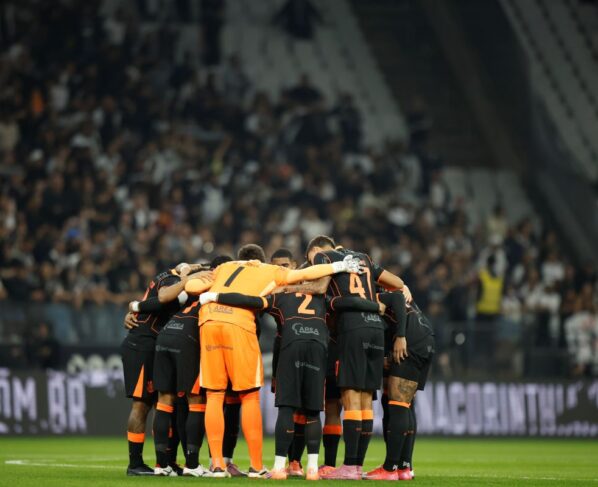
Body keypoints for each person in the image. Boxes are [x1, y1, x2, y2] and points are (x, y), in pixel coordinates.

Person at [184, 243, 363, 478]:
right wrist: (339, 266)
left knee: (214, 395)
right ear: (261, 260)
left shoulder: (225, 267)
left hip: (208, 322)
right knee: (249, 395)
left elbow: (191, 287)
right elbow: (305, 273)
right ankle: (257, 466)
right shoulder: (269, 270)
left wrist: (196, 277)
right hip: (240, 325)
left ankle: (217, 465)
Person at [305, 235, 411, 480]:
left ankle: (350, 466)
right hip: (376, 329)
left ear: (317, 250)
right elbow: (397, 283)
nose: (311, 265)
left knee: (351, 397)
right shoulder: (364, 258)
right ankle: (357, 466)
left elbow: (319, 287)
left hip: (353, 328)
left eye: (310, 259)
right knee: (365, 401)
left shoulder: (323, 257)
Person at [120, 263, 209, 476]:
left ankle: (167, 462)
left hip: (156, 345)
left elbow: (158, 303)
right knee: (141, 404)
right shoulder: (173, 280)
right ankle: (135, 463)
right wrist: (186, 280)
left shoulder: (172, 279)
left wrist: (135, 307)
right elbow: (162, 297)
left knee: (165, 404)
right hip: (141, 345)